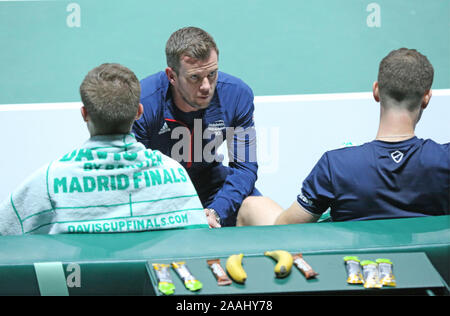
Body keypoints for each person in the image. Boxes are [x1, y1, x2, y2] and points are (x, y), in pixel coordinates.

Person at [0, 63, 208, 235]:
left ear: (84, 114)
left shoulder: (50, 180)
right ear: (139, 112)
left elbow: (5, 231)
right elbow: (197, 243)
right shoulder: (173, 173)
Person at [275, 48, 449, 224]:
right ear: (427, 97)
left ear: (376, 91)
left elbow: (284, 229)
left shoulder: (335, 165)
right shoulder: (445, 159)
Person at [133, 26, 283, 227]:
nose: (206, 86)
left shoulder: (237, 95)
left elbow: (245, 167)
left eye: (212, 74)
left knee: (261, 209)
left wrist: (216, 211)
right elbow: (135, 174)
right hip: (161, 192)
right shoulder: (144, 102)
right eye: (194, 77)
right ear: (172, 76)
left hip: (212, 187)